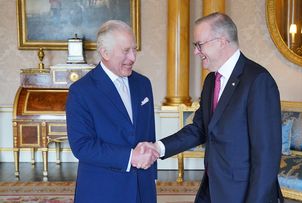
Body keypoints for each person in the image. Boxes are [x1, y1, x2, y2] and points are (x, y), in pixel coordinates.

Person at [142, 12, 283, 202]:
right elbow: (200, 128)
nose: (196, 52)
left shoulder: (257, 80)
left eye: (199, 45)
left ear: (222, 41)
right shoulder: (211, 81)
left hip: (242, 193)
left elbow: (266, 156)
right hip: (213, 188)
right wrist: (158, 148)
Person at [66, 20, 159, 203]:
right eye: (126, 51)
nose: (133, 57)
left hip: (143, 188)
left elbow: (149, 134)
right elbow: (82, 146)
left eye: (134, 49)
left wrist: (151, 175)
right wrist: (130, 156)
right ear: (104, 52)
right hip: (102, 190)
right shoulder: (81, 91)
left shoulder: (143, 84)